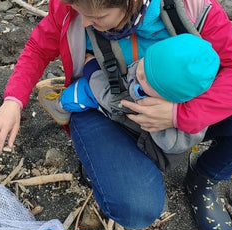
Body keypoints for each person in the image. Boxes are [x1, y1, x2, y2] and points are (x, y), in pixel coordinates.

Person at [0, 0, 232, 230]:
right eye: (81, 14)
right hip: (105, 104)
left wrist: (179, 114)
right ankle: (107, 155)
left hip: (176, 103)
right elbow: (38, 48)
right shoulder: (75, 3)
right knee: (136, 210)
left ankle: (205, 177)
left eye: (98, 18)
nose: (86, 23)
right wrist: (13, 101)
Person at [38, 33, 220, 157]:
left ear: (169, 98)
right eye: (145, 60)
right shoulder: (183, 95)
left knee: (85, 90)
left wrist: (91, 67)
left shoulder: (148, 106)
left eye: (147, 80)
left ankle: (61, 105)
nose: (139, 71)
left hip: (134, 132)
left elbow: (112, 99)